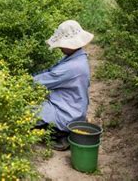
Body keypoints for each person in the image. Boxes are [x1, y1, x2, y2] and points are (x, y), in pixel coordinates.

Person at [33, 20, 94, 151]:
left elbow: (40, 81)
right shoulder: (78, 57)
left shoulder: (71, 67)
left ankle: (60, 134)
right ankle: (60, 131)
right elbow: (50, 72)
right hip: (73, 110)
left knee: (27, 111)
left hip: (66, 114)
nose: (60, 47)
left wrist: (19, 81)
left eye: (61, 44)